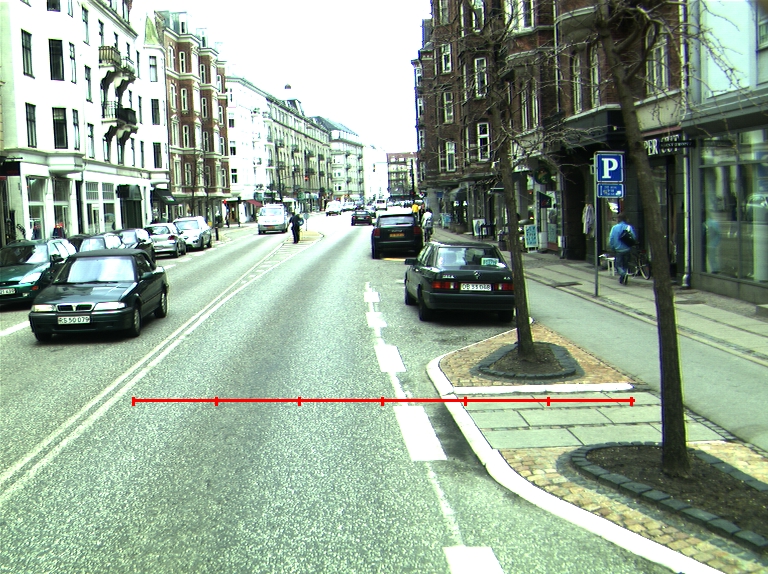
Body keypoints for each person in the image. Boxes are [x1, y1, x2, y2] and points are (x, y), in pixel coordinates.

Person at [609, 212, 635, 285]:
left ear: (618, 219)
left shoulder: (614, 228)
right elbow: (633, 237)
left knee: (618, 265)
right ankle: (624, 276)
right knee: (625, 264)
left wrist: (612, 247)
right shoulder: (628, 227)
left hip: (618, 249)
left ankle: (623, 274)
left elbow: (611, 239)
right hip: (627, 249)